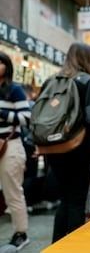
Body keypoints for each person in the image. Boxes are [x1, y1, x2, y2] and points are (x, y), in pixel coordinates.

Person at [40, 43, 90, 243]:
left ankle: (56, 245)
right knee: (77, 201)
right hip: (80, 147)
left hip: (54, 147)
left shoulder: (52, 80)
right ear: (87, 59)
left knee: (65, 199)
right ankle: (75, 246)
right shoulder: (88, 81)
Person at [0, 51, 31, 250]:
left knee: (13, 192)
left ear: (6, 66)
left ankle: (21, 233)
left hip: (10, 145)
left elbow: (26, 118)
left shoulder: (14, 90)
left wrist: (2, 112)